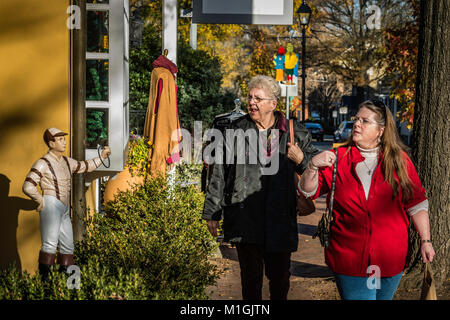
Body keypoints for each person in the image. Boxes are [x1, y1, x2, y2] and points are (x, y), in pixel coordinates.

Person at [299, 100, 435, 300]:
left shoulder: (400, 161)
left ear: (381, 130)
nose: (356, 124)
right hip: (350, 258)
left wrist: (426, 241)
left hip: (391, 257)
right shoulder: (338, 158)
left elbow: (416, 203)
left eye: (364, 121)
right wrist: (312, 166)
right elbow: (306, 191)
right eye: (356, 119)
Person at [202, 75, 319, 300]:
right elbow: (219, 173)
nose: (252, 102)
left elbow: (313, 170)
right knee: (250, 280)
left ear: (273, 104)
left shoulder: (293, 130)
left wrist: (302, 159)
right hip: (245, 218)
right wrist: (212, 212)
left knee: (280, 279)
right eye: (250, 97)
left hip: (280, 218)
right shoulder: (235, 130)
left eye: (258, 98)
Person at [22, 128, 111, 278]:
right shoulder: (42, 163)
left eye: (64, 139)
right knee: (49, 246)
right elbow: (27, 186)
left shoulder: (66, 161)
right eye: (60, 139)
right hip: (51, 203)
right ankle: (47, 287)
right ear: (51, 143)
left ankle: (70, 287)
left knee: (68, 247)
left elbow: (85, 166)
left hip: (63, 208)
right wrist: (40, 201)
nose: (64, 142)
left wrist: (101, 156)